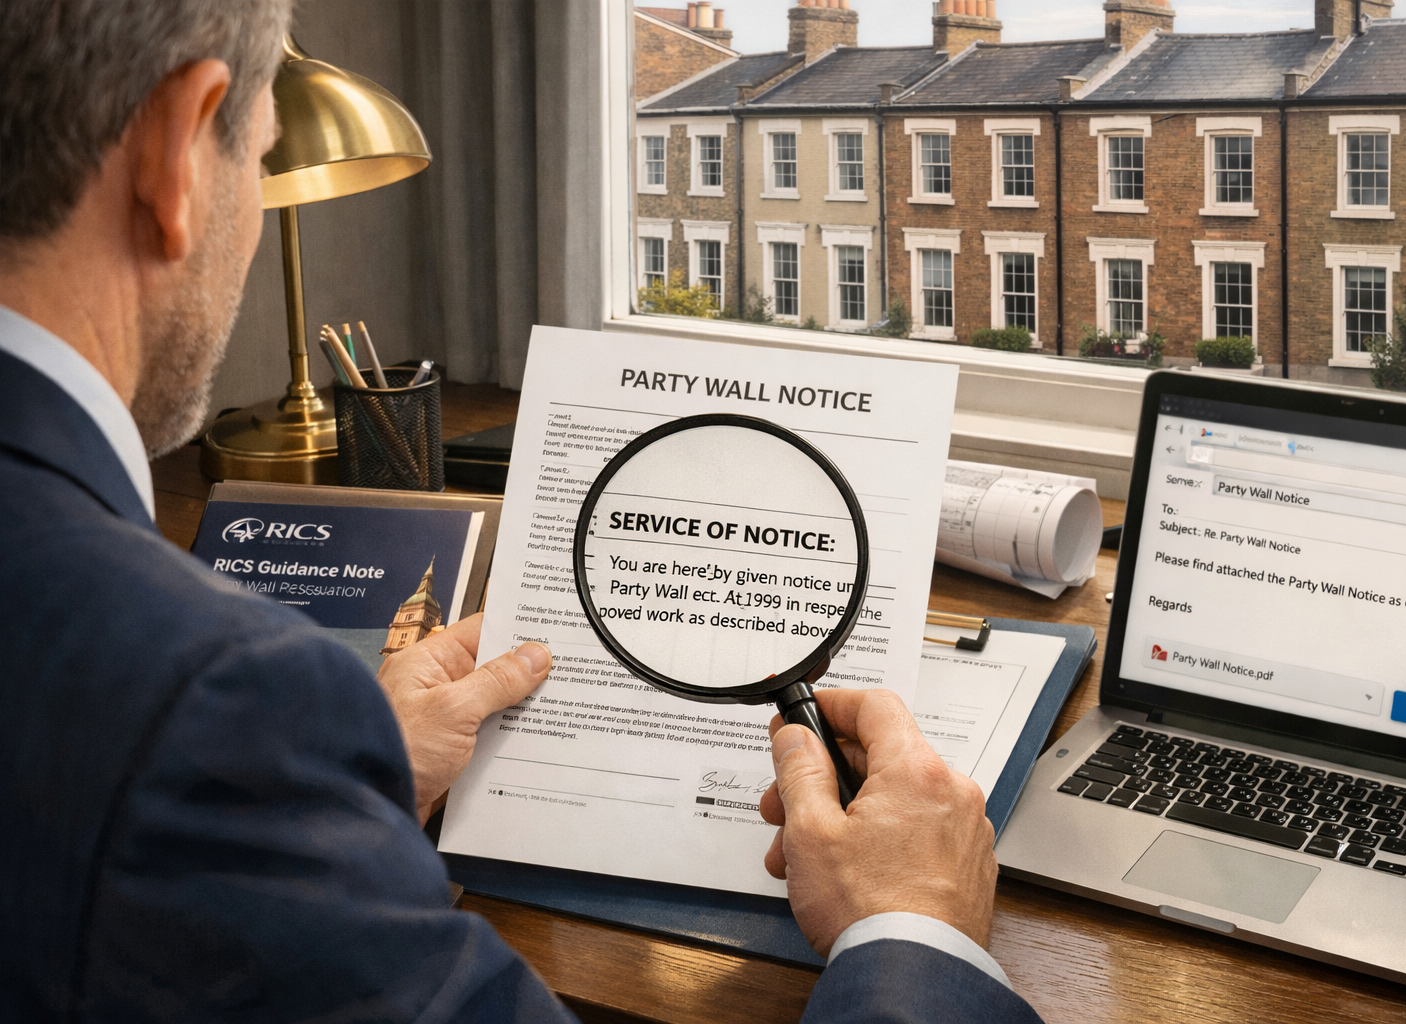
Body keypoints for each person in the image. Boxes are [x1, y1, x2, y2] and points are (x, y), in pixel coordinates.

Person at [0, 2, 1042, 1021]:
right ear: (178, 152)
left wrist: (330, 799)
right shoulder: (213, 709)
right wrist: (918, 932)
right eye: (264, 154)